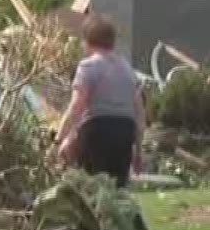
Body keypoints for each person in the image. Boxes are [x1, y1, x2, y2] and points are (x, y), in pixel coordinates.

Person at [55, 14, 144, 188]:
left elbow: (77, 106)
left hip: (96, 132)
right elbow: (139, 112)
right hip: (125, 132)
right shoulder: (128, 70)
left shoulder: (88, 67)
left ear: (88, 41)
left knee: (91, 187)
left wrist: (61, 138)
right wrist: (138, 151)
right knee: (117, 189)